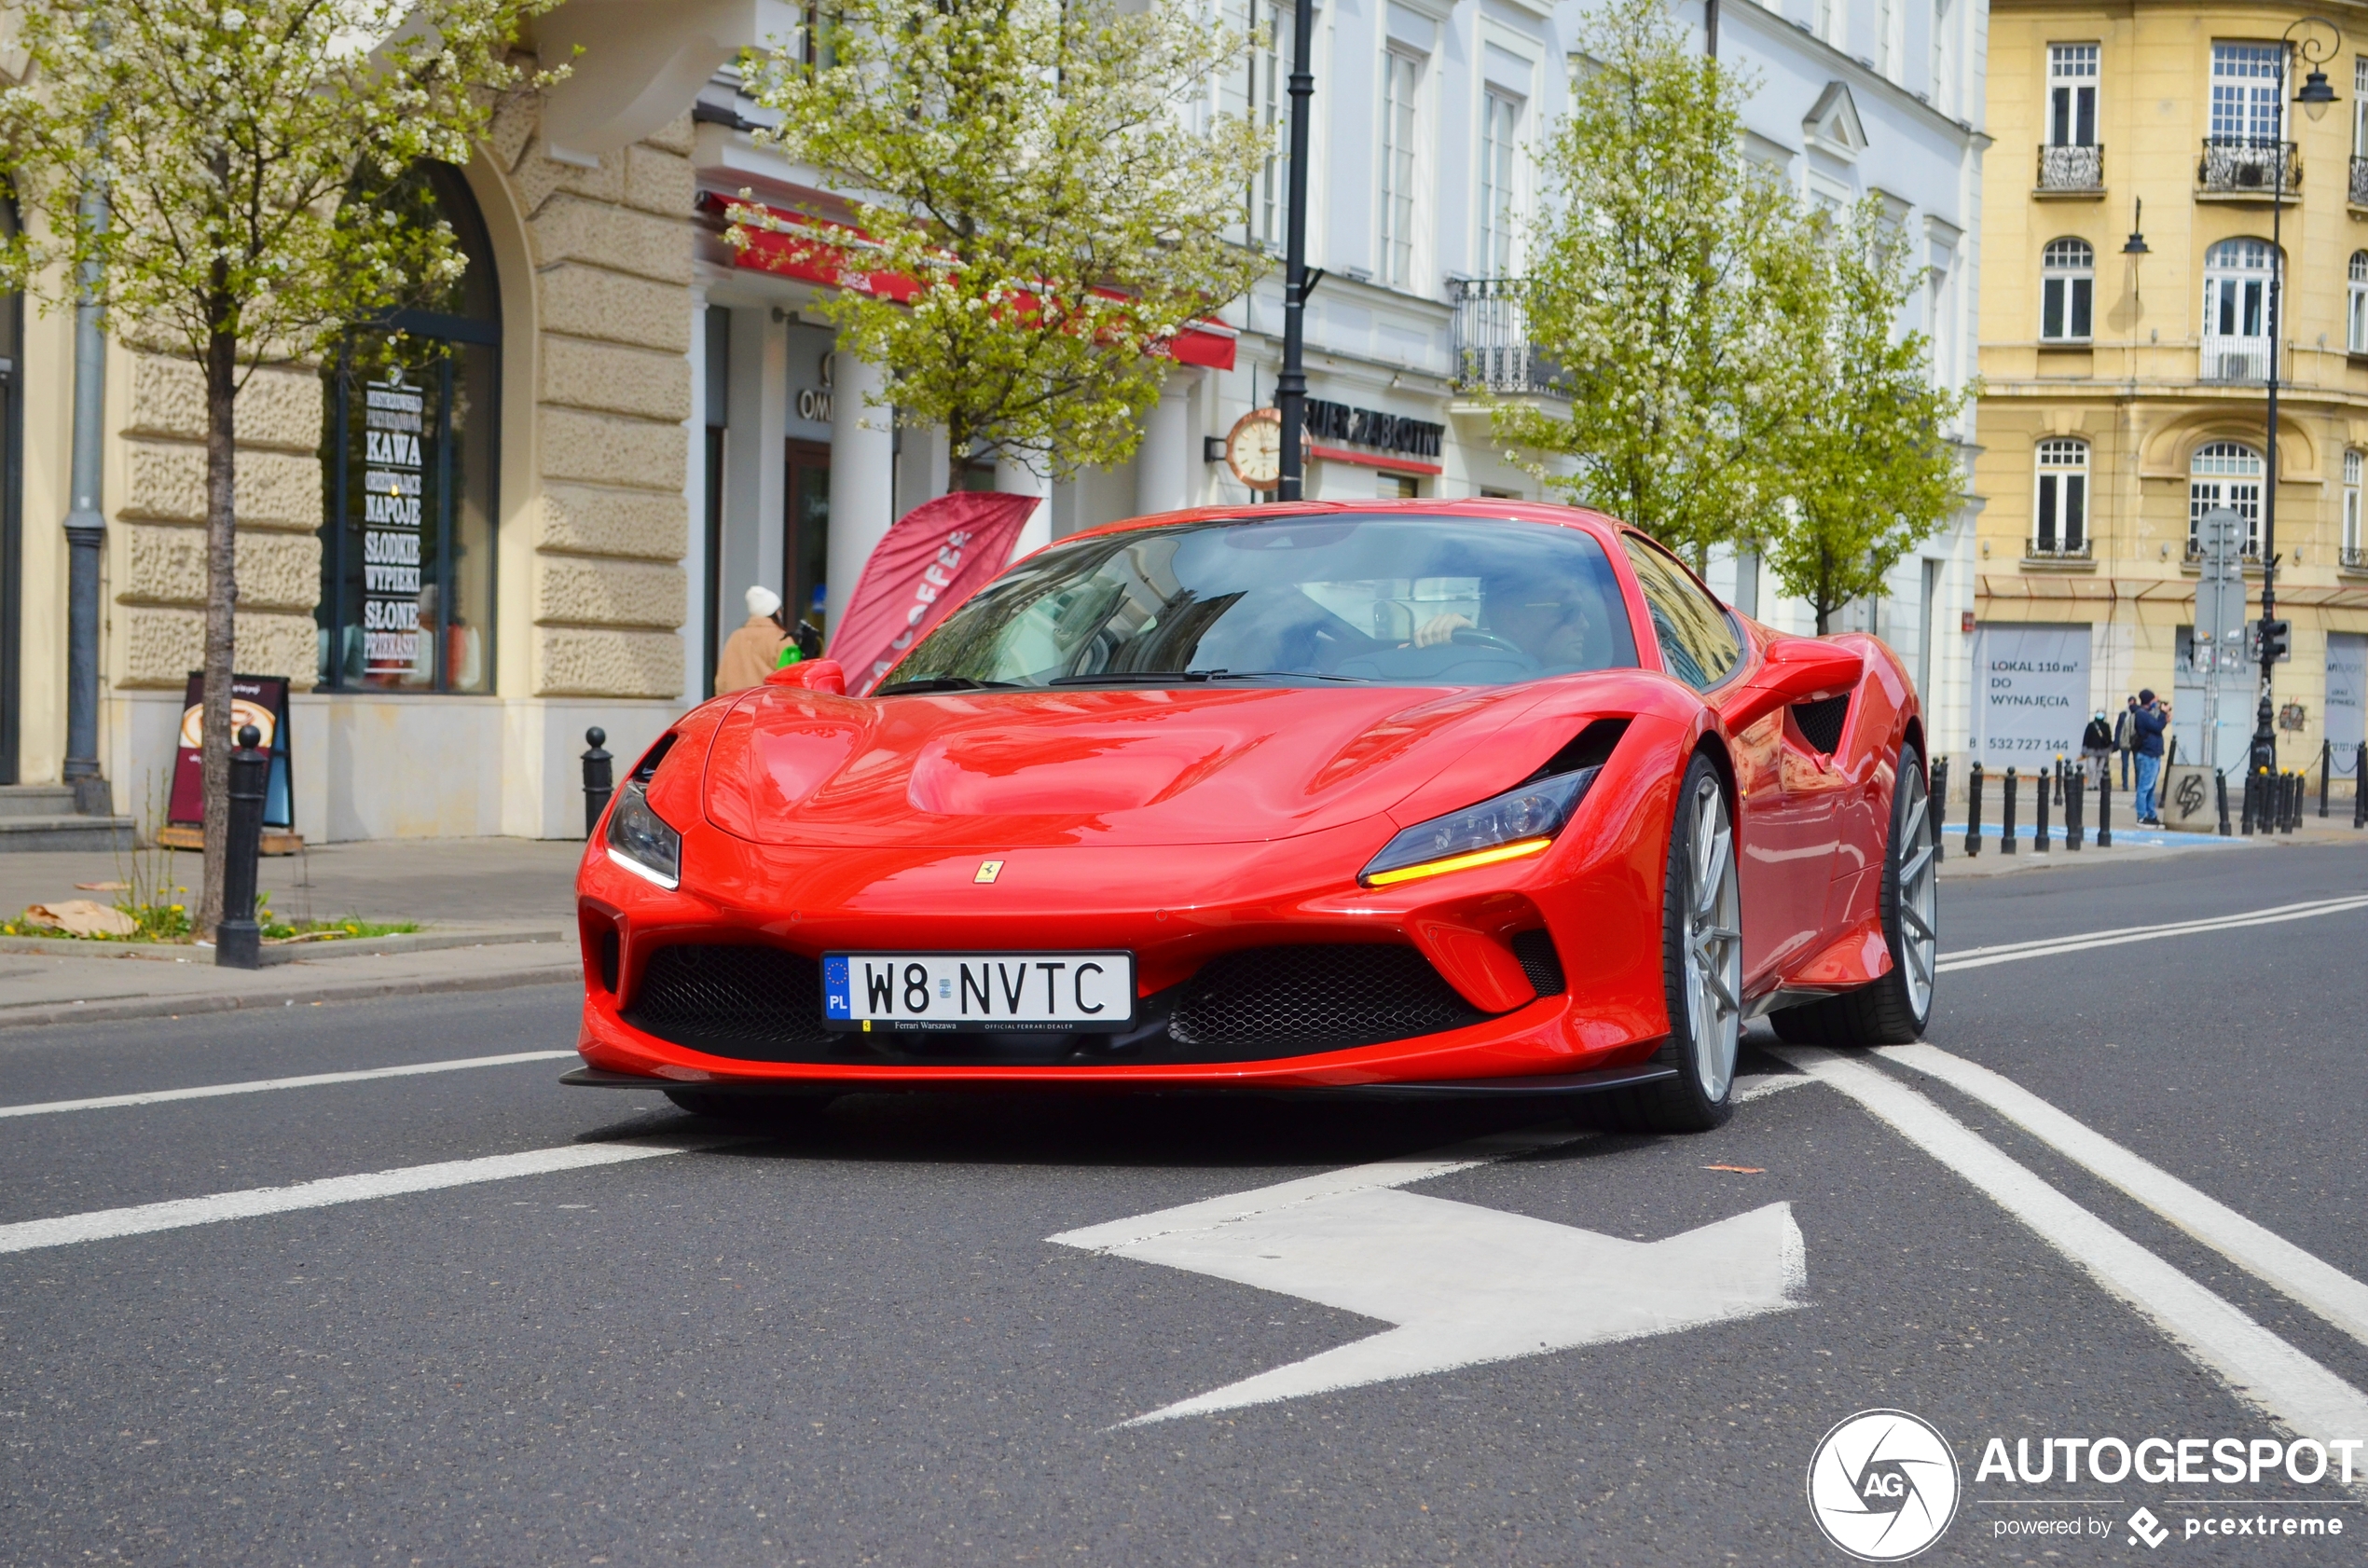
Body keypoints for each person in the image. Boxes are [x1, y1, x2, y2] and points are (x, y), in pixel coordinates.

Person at [715, 585, 793, 693]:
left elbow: (721, 682)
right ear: (776, 613)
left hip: (736, 705)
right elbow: (791, 680)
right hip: (768, 705)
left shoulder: (735, 637)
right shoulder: (781, 639)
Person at [2131, 688, 2169, 825]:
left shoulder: (2148, 714)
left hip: (2154, 754)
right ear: (2149, 701)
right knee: (2144, 787)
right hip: (2147, 754)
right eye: (2154, 700)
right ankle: (2142, 816)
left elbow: (2158, 725)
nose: (2156, 703)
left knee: (2151, 787)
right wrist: (2163, 714)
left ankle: (2151, 814)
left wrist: (2164, 716)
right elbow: (2157, 727)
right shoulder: (2142, 714)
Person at [2080, 709, 2114, 790]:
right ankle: (2090, 783)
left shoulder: (2106, 726)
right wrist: (2084, 749)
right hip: (2092, 750)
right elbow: (2086, 738)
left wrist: (2110, 748)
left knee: (2100, 769)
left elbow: (2109, 739)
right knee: (2091, 768)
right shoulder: (2091, 725)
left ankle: (2097, 784)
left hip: (2103, 751)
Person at [2113, 695, 2140, 789]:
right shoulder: (2123, 714)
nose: (2131, 705)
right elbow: (2118, 729)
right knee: (2125, 765)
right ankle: (2125, 785)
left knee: (2137, 765)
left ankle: (2137, 785)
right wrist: (2116, 742)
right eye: (2130, 702)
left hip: (2136, 743)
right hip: (2124, 742)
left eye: (2133, 702)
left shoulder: (2138, 713)